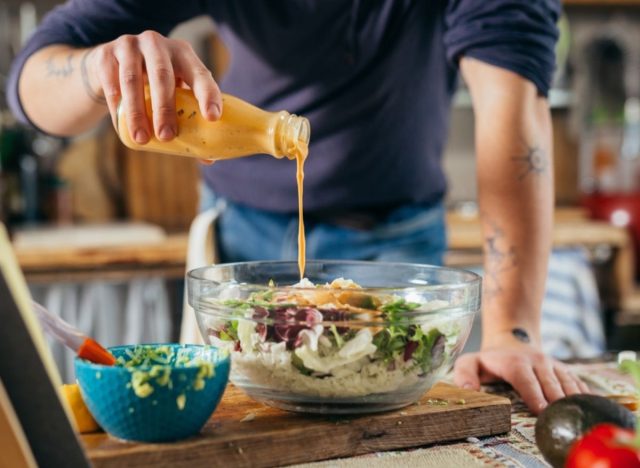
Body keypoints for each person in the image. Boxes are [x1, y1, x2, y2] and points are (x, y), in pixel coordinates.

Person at [8, 0, 589, 414]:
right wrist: (94, 70)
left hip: (395, 246)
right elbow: (32, 81)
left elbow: (511, 107)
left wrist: (512, 330)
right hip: (236, 242)